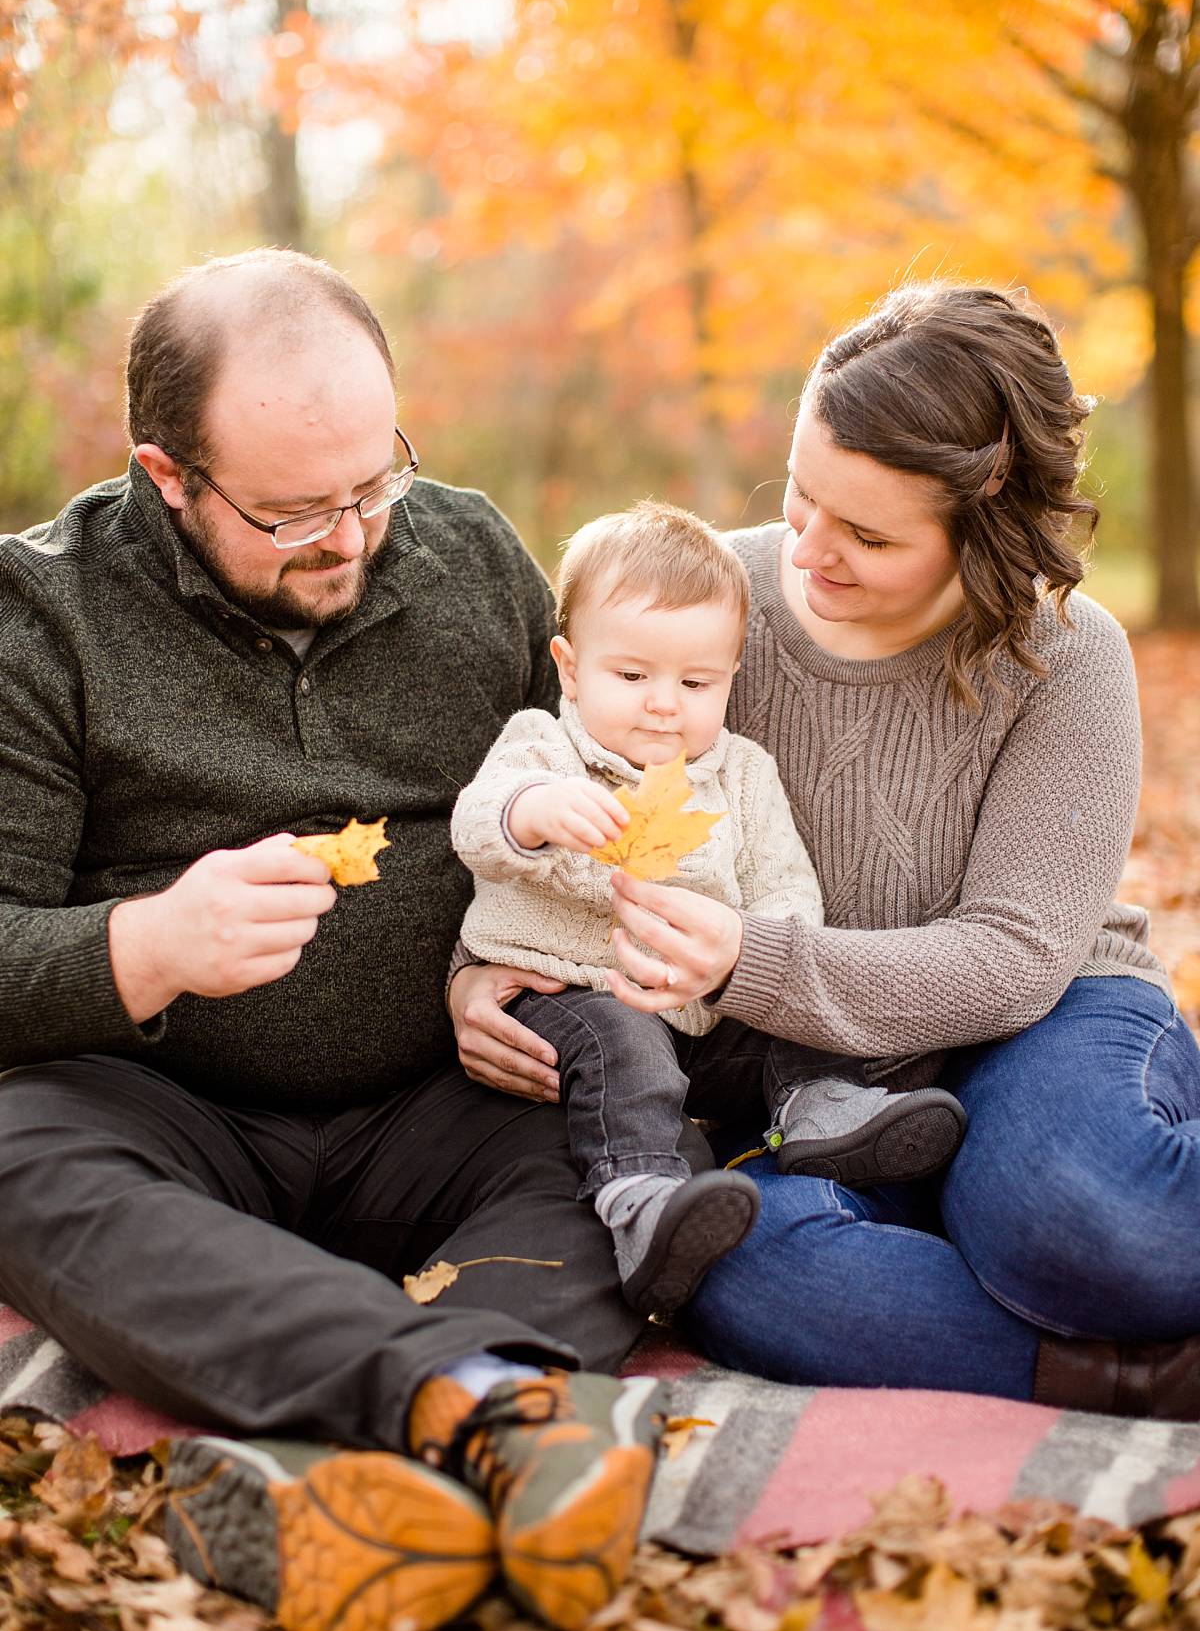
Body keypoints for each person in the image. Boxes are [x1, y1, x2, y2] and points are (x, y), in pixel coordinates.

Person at [0, 247, 675, 1631]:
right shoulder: (40, 617)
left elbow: (553, 802)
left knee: (636, 1153)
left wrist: (507, 959)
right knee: (12, 1165)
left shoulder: (472, 551)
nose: (353, 535)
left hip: (441, 1099)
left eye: (376, 483)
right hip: (168, 1111)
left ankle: (355, 1467)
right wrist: (145, 946)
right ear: (168, 474)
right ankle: (486, 1409)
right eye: (296, 512)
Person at [450, 281, 1200, 1421]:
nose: (809, 551)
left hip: (1033, 1022)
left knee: (1088, 1220)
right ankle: (1120, 1370)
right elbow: (538, 776)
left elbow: (1013, 960)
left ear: (984, 525)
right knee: (735, 1267)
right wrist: (480, 976)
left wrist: (746, 960)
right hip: (803, 1079)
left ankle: (1032, 1224)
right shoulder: (704, 604)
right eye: (801, 498)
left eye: (867, 533)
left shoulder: (1064, 656)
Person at [450, 499, 967, 1313]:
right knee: (626, 1045)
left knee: (796, 1003)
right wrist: (533, 811)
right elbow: (474, 823)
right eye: (631, 676)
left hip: (706, 1006)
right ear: (569, 665)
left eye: (696, 683)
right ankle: (645, 1202)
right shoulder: (545, 749)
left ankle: (818, 1108)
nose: (664, 705)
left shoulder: (741, 773)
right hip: (575, 988)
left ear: (730, 676)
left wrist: (759, 956)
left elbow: (786, 889)